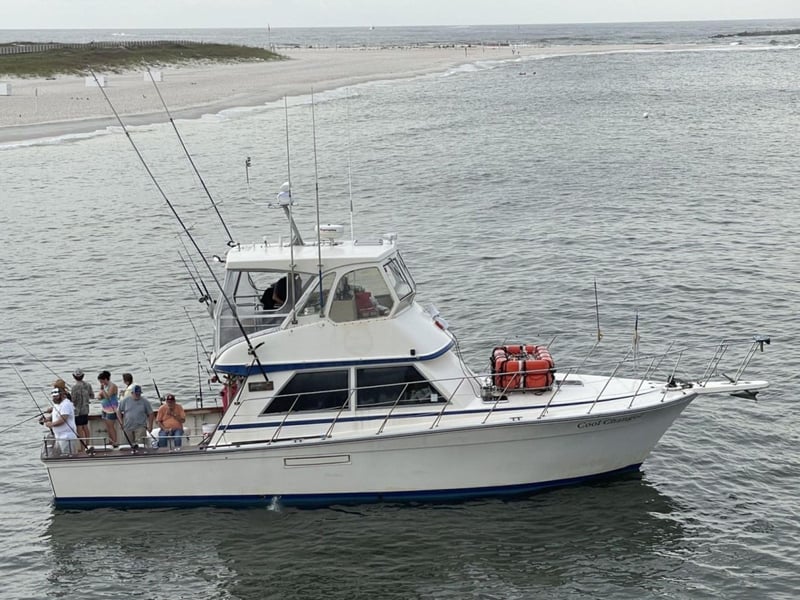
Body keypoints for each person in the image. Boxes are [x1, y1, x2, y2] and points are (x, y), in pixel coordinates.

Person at [118, 384, 154, 449]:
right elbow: (118, 411)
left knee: (140, 446)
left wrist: (150, 426)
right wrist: (121, 422)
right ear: (132, 393)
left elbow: (151, 413)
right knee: (127, 446)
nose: (138, 395)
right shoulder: (125, 401)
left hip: (140, 426)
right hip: (127, 426)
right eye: (136, 394)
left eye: (139, 394)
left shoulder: (145, 402)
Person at [45, 387, 78, 455]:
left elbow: (63, 419)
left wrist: (51, 424)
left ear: (62, 395)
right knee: (59, 455)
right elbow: (56, 415)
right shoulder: (57, 404)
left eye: (56, 396)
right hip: (58, 436)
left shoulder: (66, 404)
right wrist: (47, 419)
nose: (54, 398)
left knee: (68, 456)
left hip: (67, 437)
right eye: (53, 397)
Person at [70, 368, 93, 448]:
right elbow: (92, 396)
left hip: (77, 411)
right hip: (86, 409)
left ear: (74, 376)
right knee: (85, 426)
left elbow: (73, 400)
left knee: (79, 428)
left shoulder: (74, 387)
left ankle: (83, 447)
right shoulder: (88, 385)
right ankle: (88, 444)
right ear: (83, 376)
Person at [97, 370, 119, 447]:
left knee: (111, 426)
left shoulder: (112, 386)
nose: (101, 383)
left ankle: (115, 442)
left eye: (101, 381)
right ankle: (110, 441)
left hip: (111, 409)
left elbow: (107, 396)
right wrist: (101, 394)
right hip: (105, 409)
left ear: (106, 379)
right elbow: (99, 396)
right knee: (107, 427)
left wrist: (103, 390)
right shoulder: (104, 386)